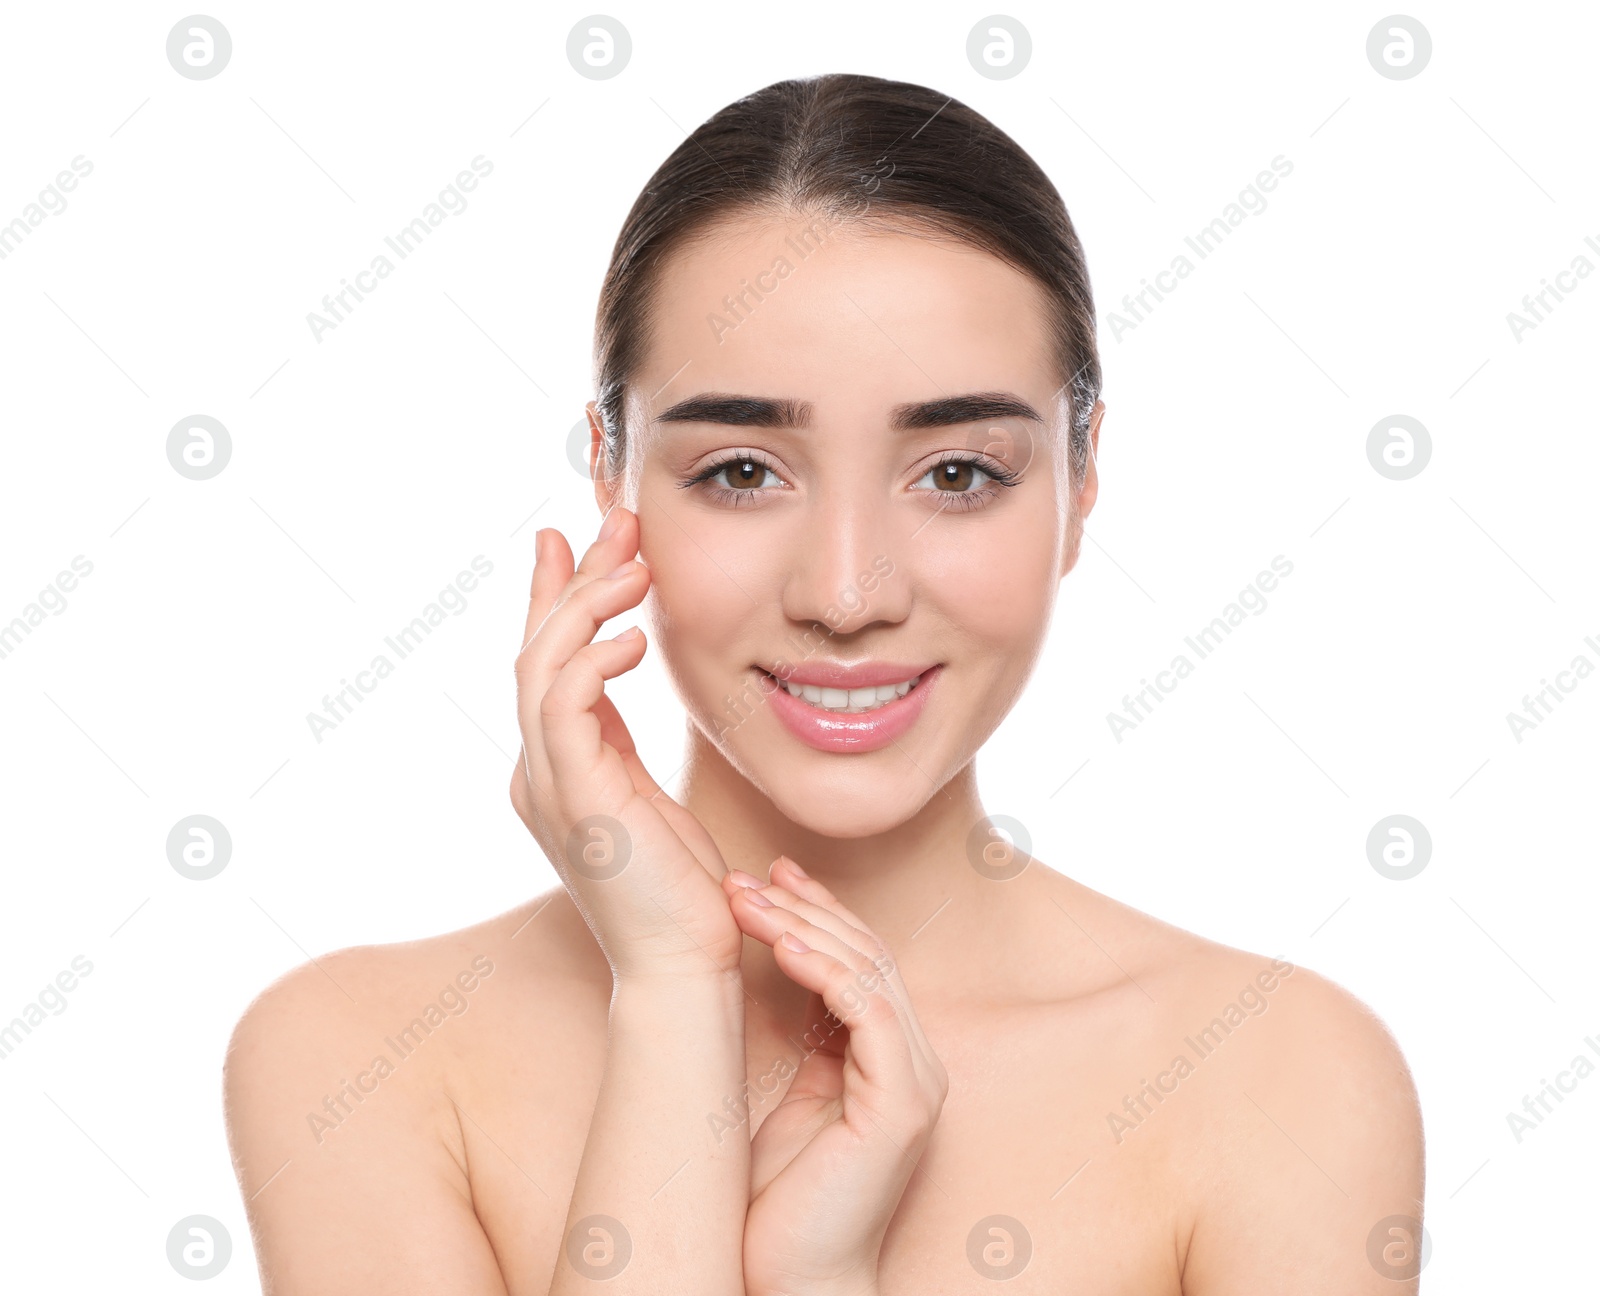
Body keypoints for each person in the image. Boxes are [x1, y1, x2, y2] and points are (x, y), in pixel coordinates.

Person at [225, 73, 1424, 1294]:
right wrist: (674, 996)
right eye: (743, 471)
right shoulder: (354, 1061)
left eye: (956, 473)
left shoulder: (1278, 1079)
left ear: (1081, 479)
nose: (847, 595)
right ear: (610, 476)